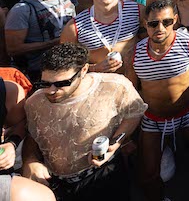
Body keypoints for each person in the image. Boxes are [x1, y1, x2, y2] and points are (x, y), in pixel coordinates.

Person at [23, 43, 146, 200]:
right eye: (45, 83)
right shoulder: (34, 102)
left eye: (62, 84)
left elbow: (133, 114)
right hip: (57, 185)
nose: (51, 90)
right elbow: (33, 136)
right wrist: (30, 161)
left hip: (104, 177)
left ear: (84, 70)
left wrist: (116, 142)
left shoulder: (115, 86)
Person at [127, 0, 189, 201]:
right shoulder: (133, 54)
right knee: (148, 174)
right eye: (153, 23)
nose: (160, 28)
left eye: (166, 22)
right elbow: (131, 94)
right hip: (153, 119)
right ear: (145, 23)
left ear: (175, 20)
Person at [61, 0, 142, 72]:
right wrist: (94, 68)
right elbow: (64, 62)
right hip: (99, 82)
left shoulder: (137, 11)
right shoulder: (75, 26)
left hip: (133, 79)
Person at [5, 0, 76, 82]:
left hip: (70, 64)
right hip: (41, 72)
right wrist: (55, 42)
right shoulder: (22, 10)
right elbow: (13, 49)